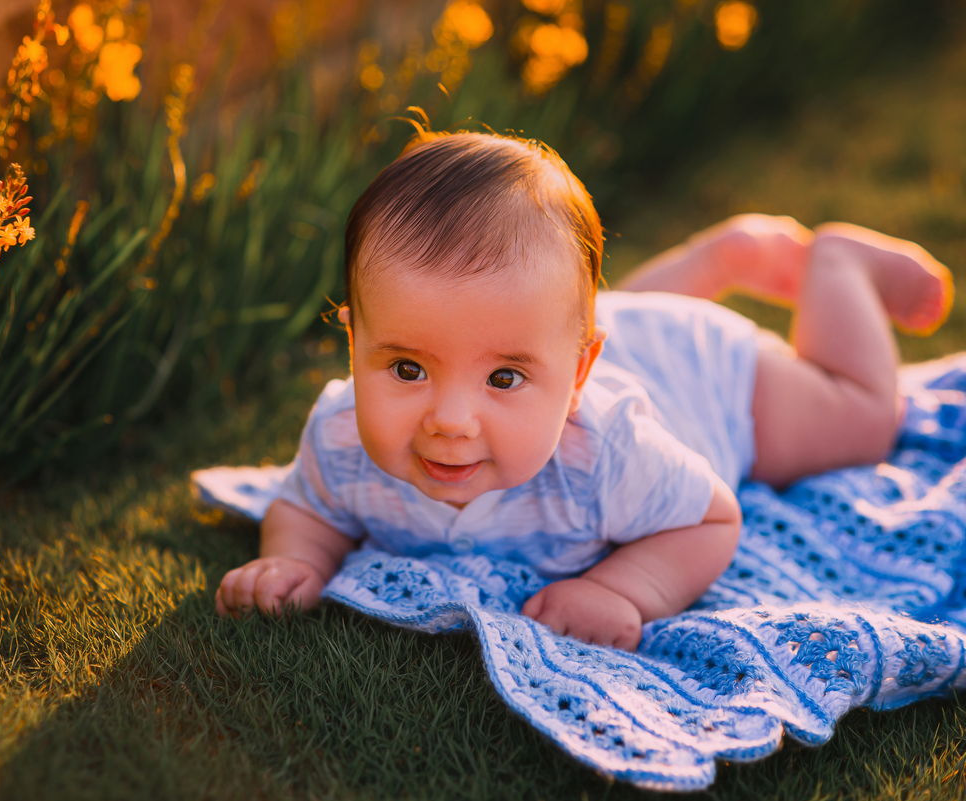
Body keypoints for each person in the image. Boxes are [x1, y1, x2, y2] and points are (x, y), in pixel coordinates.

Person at [213, 130, 954, 650]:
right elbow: (307, 503)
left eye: (504, 378)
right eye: (407, 368)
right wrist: (297, 557)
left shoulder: (609, 451)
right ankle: (717, 257)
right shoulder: (342, 435)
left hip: (713, 375)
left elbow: (709, 521)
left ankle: (840, 265)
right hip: (606, 331)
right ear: (352, 342)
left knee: (862, 419)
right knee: (576, 316)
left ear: (578, 379)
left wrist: (625, 590)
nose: (451, 419)